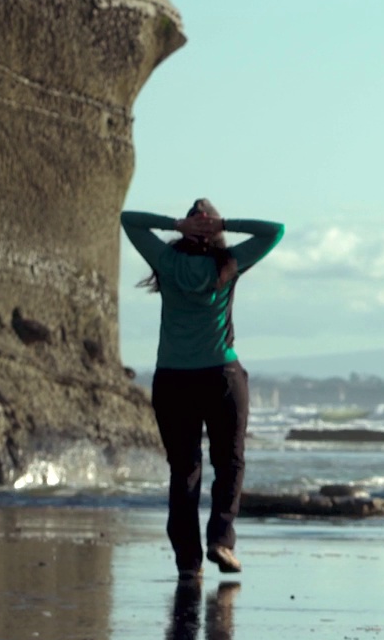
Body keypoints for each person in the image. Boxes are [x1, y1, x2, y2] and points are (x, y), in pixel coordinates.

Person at [120, 199, 284, 581]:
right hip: (221, 376)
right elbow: (274, 230)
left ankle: (188, 563)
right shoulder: (228, 263)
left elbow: (129, 220)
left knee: (184, 470)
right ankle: (221, 540)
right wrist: (224, 223)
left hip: (174, 379)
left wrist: (174, 224)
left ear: (188, 227)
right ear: (213, 230)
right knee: (230, 463)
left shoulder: (165, 259)